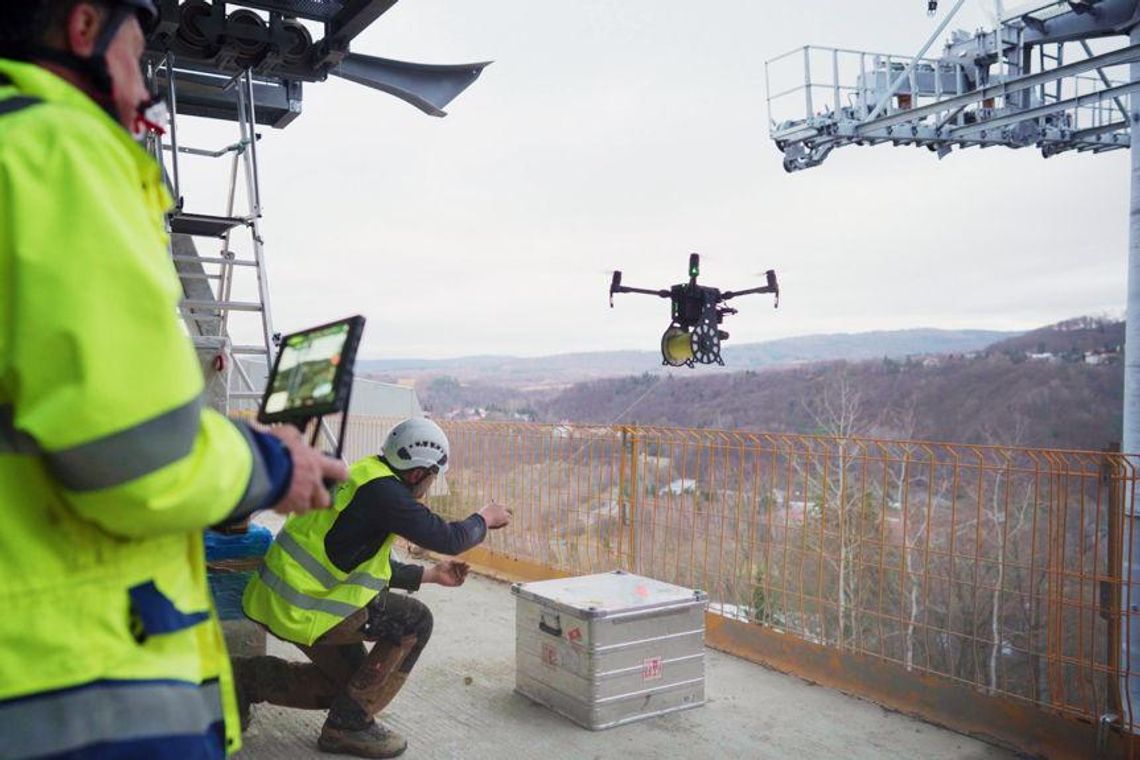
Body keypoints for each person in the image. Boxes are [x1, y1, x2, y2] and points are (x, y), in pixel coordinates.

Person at [0, 2, 348, 757]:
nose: (146, 93)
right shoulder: (54, 151)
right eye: (136, 53)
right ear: (85, 30)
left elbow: (60, 414)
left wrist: (221, 442)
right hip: (70, 689)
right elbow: (136, 463)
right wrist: (272, 462)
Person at [240, 417, 512, 758]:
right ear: (417, 473)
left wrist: (430, 575)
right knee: (416, 621)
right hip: (307, 608)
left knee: (353, 686)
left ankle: (242, 681)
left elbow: (357, 562)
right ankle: (348, 728)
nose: (429, 485)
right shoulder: (386, 495)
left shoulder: (364, 475)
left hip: (278, 599)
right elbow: (449, 537)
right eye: (431, 476)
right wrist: (484, 518)